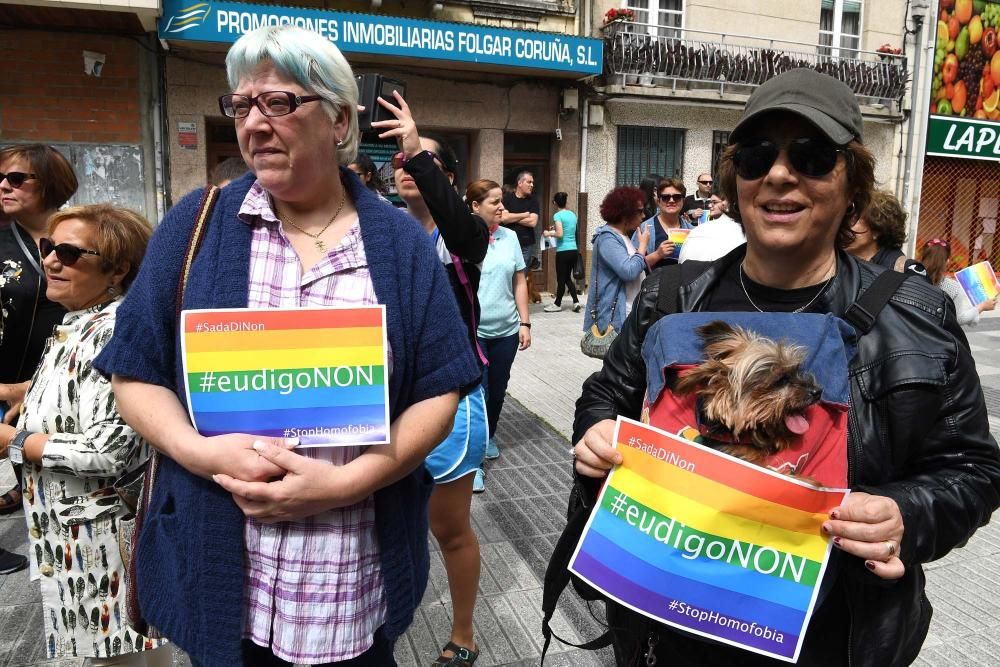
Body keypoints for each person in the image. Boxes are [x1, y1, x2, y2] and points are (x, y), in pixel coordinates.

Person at [571, 68, 1000, 666]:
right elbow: (603, 397)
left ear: (854, 185)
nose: (778, 173)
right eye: (755, 156)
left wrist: (905, 513)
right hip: (670, 634)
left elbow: (973, 470)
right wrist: (596, 436)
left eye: (812, 155)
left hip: (835, 639)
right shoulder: (668, 298)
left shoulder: (917, 317)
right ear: (736, 181)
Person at [93, 25, 480, 667]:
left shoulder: (398, 244)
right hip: (229, 579)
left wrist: (348, 482)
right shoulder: (193, 226)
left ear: (338, 120)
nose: (255, 123)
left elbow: (440, 389)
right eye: (242, 105)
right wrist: (197, 449)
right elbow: (133, 372)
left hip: (350, 581)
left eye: (278, 102)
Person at [1, 204, 169, 664]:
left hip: (101, 539)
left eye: (69, 253)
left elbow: (110, 450)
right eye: (48, 247)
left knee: (122, 657)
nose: (51, 260)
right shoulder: (82, 323)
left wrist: (13, 442)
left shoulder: (115, 331)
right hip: (72, 534)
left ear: (117, 268)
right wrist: (27, 396)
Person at [373, 92, 489, 667]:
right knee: (388, 519)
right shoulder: (383, 234)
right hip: (387, 403)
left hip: (452, 400)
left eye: (419, 162)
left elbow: (462, 226)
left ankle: (463, 634)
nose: (406, 168)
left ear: (443, 176)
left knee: (448, 527)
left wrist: (417, 149)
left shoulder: (466, 239)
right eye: (398, 162)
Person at [0, 144, 78, 574]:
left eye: (15, 179)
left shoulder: (79, 234)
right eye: (0, 179)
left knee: (50, 458)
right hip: (5, 374)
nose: (4, 187)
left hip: (56, 371)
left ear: (49, 184)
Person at [470, 179, 531, 493]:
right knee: (478, 393)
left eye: (501, 201)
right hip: (474, 330)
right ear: (475, 207)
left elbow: (519, 281)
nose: (502, 208)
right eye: (495, 202)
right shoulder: (464, 239)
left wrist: (525, 323)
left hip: (506, 330)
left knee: (497, 389)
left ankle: (489, 434)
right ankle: (474, 463)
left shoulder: (510, 237)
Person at [586, 186, 649, 338]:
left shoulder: (623, 236)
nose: (644, 215)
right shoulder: (607, 238)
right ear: (625, 213)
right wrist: (642, 246)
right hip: (617, 315)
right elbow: (628, 271)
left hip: (629, 310)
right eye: (639, 211)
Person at [844, 189, 925, 276]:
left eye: (854, 220)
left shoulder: (905, 271)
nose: (844, 227)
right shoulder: (840, 264)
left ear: (877, 230)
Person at [920, 237, 996, 326]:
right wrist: (982, 306)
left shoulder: (910, 277)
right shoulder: (953, 288)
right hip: (937, 336)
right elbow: (959, 319)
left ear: (922, 257)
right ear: (948, 261)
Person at [501, 171, 541, 303]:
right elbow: (504, 218)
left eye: (533, 182)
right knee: (507, 274)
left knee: (521, 276)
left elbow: (533, 222)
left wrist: (513, 216)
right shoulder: (507, 199)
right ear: (520, 183)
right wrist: (524, 214)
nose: (532, 185)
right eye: (529, 182)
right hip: (507, 244)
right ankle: (508, 303)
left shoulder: (533, 201)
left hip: (525, 244)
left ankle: (518, 305)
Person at [634, 178, 689, 272]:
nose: (671, 201)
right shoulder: (644, 228)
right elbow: (633, 267)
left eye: (677, 197)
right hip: (653, 284)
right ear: (658, 201)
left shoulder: (692, 230)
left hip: (684, 285)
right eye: (666, 197)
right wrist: (657, 255)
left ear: (683, 201)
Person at [677, 194, 746, 263]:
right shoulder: (698, 231)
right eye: (710, 202)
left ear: (726, 203)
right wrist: (691, 218)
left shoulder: (742, 232)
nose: (709, 205)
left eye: (714, 202)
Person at [542, 192, 581, 313]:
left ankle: (557, 304)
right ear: (566, 202)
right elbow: (570, 232)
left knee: (561, 278)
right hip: (573, 250)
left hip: (563, 251)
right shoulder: (573, 215)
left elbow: (560, 234)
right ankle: (576, 302)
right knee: (567, 278)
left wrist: (548, 233)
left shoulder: (558, 215)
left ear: (555, 203)